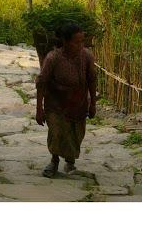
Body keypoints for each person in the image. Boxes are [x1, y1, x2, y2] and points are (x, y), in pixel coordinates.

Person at [35, 22, 97, 177]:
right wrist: (39, 109)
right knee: (56, 132)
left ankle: (70, 162)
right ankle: (54, 161)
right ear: (65, 41)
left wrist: (93, 104)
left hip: (78, 102)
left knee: (76, 134)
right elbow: (42, 83)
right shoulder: (53, 58)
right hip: (56, 103)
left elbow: (92, 80)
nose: (80, 45)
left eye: (82, 41)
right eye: (76, 42)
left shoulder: (87, 56)